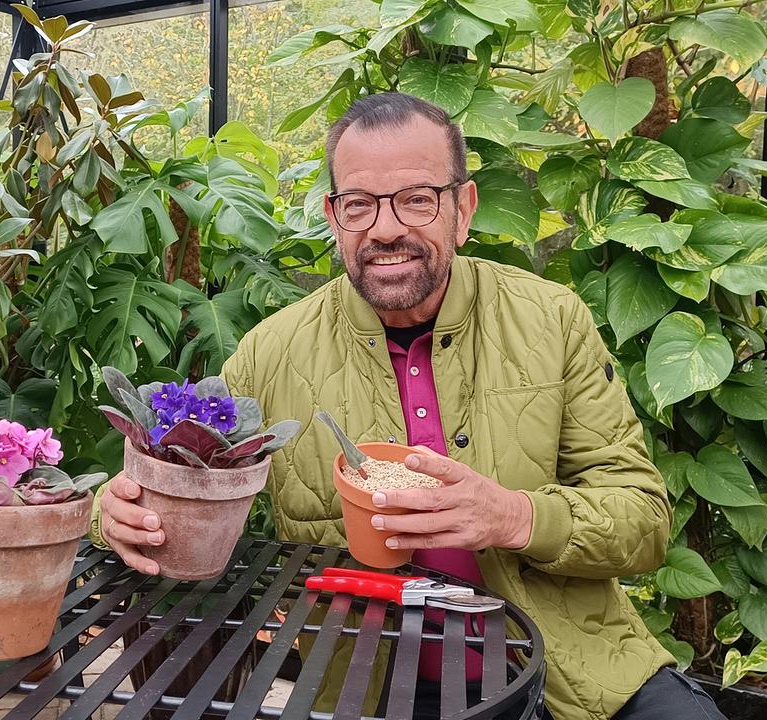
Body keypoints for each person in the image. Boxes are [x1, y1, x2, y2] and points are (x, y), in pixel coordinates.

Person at [92, 92, 726, 720]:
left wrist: (512, 517)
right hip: (369, 687)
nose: (386, 228)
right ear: (334, 217)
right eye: (359, 204)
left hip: (574, 675)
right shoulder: (271, 353)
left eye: (417, 199)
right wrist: (113, 513)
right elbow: (181, 479)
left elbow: (644, 520)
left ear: (463, 209)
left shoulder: (550, 320)